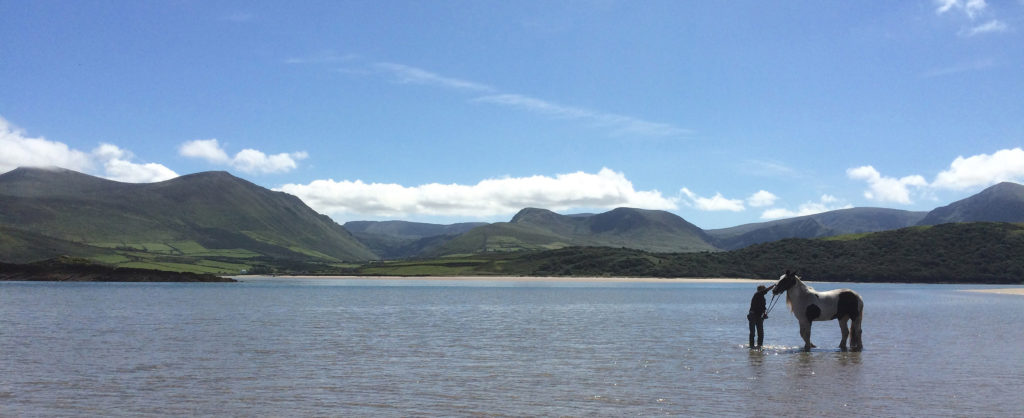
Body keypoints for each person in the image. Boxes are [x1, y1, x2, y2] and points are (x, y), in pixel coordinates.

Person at [748, 283, 775, 349]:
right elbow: (766, 290)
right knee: (753, 332)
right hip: (753, 315)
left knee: (761, 333)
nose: (765, 291)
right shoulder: (757, 294)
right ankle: (751, 346)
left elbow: (763, 308)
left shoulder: (763, 298)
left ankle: (760, 346)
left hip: (759, 316)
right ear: (760, 290)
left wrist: (765, 313)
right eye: (764, 289)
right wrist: (774, 285)